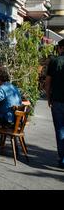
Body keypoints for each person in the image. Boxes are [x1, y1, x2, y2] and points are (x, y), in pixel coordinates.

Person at [45, 39, 64, 169]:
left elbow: (47, 82)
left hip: (57, 100)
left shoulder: (54, 61)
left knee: (60, 130)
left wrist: (48, 97)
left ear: (61, 48)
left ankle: (62, 159)